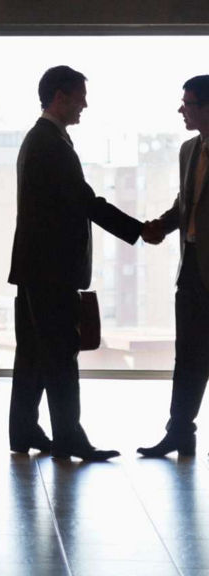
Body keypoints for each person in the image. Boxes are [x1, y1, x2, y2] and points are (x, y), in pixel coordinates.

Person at [7, 65, 146, 461]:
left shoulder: (43, 139)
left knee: (33, 353)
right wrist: (138, 230)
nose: (85, 103)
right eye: (80, 95)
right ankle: (69, 438)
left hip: (36, 269)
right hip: (51, 272)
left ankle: (24, 430)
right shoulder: (49, 143)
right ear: (60, 96)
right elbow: (85, 201)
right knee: (60, 354)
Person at [137, 75, 209, 457]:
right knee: (189, 354)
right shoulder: (188, 150)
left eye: (189, 103)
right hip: (192, 267)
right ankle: (180, 431)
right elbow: (187, 203)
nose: (182, 110)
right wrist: (161, 227)